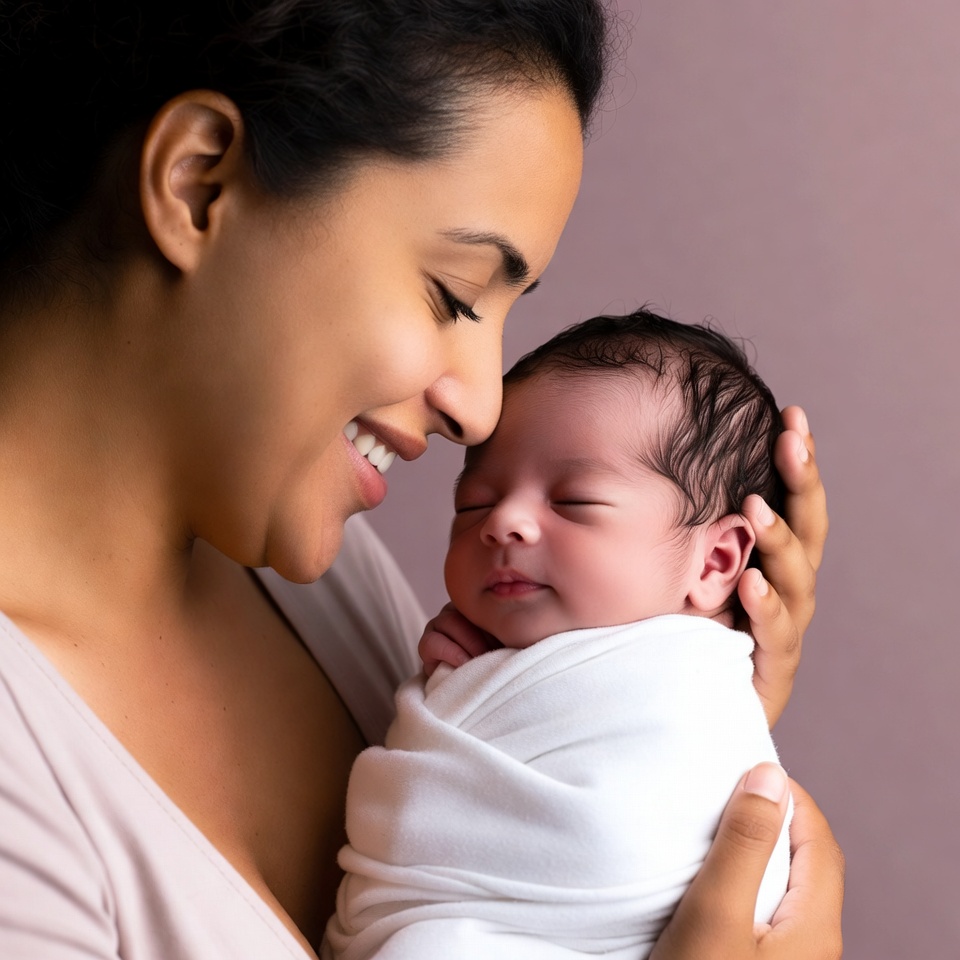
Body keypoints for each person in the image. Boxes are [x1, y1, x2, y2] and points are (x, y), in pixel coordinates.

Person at [0, 3, 842, 960]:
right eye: (453, 294)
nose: (480, 412)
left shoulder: (307, 566)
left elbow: (522, 860)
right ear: (200, 185)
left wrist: (665, 699)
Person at [326, 311, 794, 959]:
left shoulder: (691, 682)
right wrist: (465, 695)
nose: (504, 523)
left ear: (715, 563)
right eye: (474, 504)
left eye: (573, 502)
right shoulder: (461, 650)